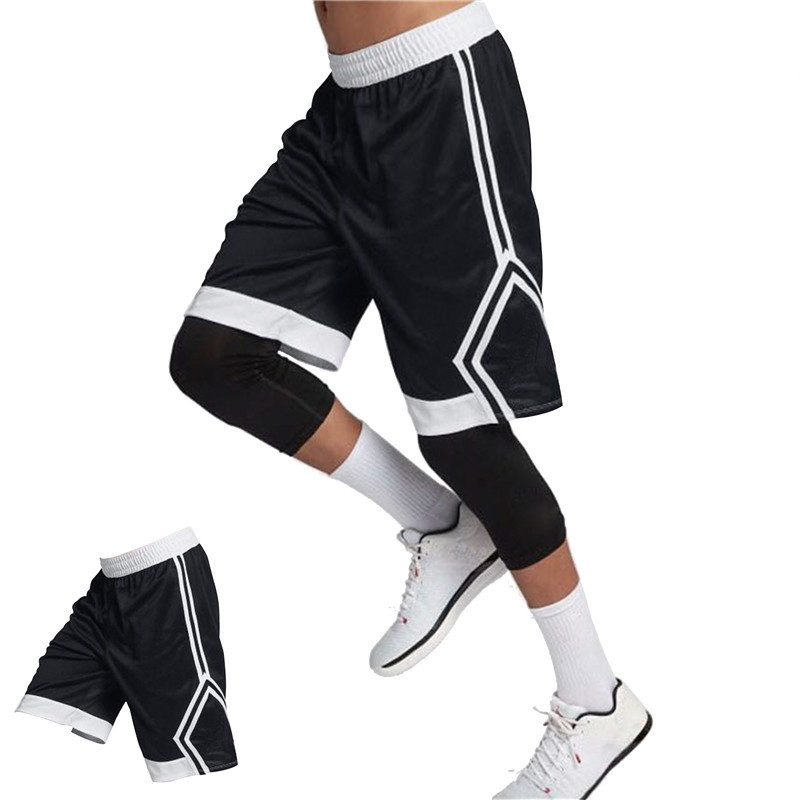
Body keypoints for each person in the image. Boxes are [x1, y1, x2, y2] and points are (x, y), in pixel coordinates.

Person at [169, 2, 651, 797]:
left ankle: (596, 700)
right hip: (345, 111)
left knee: (462, 433)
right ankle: (444, 526)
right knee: (215, 357)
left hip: (439, 94)